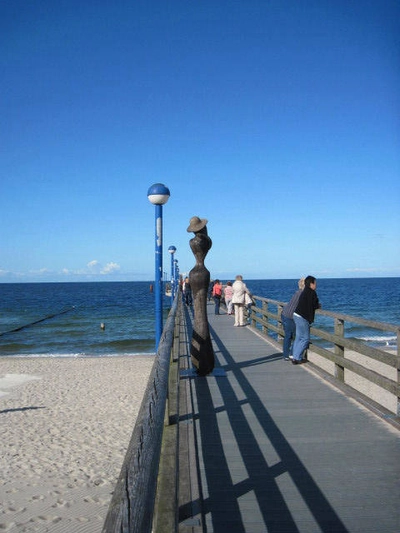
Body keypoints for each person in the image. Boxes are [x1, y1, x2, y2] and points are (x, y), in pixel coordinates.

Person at [292, 275, 321, 365]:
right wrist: (318, 306)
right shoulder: (312, 292)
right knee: (305, 338)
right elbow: (314, 304)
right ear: (311, 284)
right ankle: (297, 357)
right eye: (315, 283)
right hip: (302, 317)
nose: (316, 285)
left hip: (296, 314)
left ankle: (294, 356)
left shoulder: (305, 291)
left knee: (299, 337)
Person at [281, 278, 305, 360]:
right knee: (297, 335)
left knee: (288, 335)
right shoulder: (303, 294)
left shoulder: (298, 292)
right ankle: (291, 353)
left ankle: (286, 355)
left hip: (285, 314)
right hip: (290, 316)